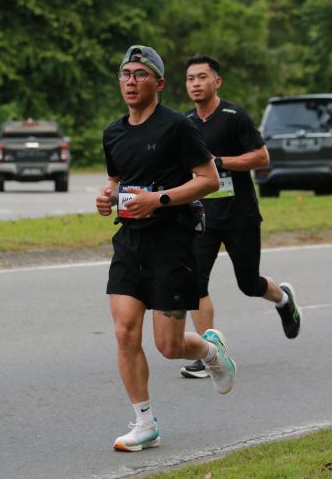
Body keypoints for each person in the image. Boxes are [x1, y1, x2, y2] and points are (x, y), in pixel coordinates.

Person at [96, 45, 236, 452]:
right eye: (125, 74)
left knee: (169, 346)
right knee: (124, 331)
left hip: (172, 242)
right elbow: (116, 180)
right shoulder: (113, 132)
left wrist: (158, 200)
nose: (131, 82)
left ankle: (210, 349)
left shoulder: (177, 127)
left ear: (158, 83)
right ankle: (145, 423)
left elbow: (209, 179)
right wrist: (107, 197)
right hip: (130, 240)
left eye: (140, 74)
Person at [180, 54, 301, 380]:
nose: (195, 83)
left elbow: (262, 157)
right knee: (194, 284)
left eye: (202, 77)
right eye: (190, 78)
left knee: (249, 283)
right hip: (202, 216)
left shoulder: (234, 117)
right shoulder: (184, 123)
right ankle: (209, 354)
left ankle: (283, 299)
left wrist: (221, 162)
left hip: (240, 216)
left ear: (216, 82)